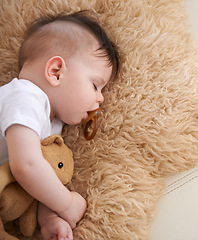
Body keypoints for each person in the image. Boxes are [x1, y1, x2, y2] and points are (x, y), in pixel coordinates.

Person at [0, 11, 120, 240]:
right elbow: (26, 166)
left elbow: (40, 181)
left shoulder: (52, 127)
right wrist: (65, 204)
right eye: (95, 86)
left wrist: (49, 219)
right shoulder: (24, 96)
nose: (100, 99)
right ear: (56, 72)